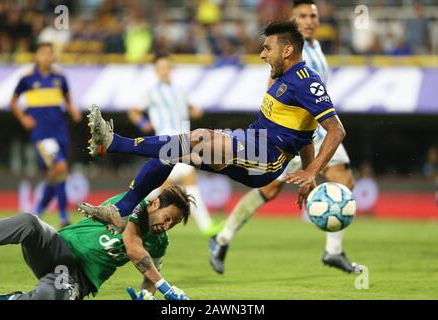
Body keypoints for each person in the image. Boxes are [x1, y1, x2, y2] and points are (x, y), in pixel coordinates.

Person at [82, 20, 346, 240]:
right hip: (249, 142)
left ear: (287, 51)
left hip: (265, 160)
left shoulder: (306, 81)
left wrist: (312, 171)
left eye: (267, 48)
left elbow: (336, 130)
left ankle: (114, 142)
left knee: (196, 138)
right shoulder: (281, 79)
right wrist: (309, 174)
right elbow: (305, 136)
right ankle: (121, 209)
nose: (263, 54)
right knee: (171, 151)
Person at [210, 0, 360, 275]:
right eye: (303, 15)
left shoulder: (315, 48)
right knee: (268, 189)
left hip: (315, 131)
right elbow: (274, 87)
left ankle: (333, 251)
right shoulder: (291, 53)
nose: (310, 20)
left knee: (344, 180)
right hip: (293, 133)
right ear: (294, 19)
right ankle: (221, 239)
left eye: (313, 15)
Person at [0, 185, 193, 300]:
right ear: (155, 203)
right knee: (29, 222)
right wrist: (167, 289)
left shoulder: (159, 242)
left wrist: (146, 295)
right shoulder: (132, 204)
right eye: (167, 218)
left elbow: (151, 276)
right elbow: (133, 248)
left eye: (173, 224)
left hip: (76, 276)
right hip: (57, 246)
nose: (167, 225)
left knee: (53, 295)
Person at [128, 53, 220, 236]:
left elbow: (191, 109)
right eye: (161, 68)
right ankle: (125, 211)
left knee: (162, 187)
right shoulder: (152, 92)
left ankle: (125, 211)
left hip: (183, 142)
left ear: (171, 69)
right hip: (165, 142)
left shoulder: (179, 91)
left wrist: (195, 111)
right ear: (156, 71)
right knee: (174, 184)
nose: (164, 71)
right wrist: (143, 124)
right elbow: (134, 111)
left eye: (167, 67)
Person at [10, 42, 82, 228]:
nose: (47, 57)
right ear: (37, 56)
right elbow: (13, 101)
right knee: (60, 166)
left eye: (50, 53)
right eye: (43, 53)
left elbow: (67, 97)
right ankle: (63, 216)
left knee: (60, 172)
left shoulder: (60, 77)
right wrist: (23, 118)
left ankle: (39, 209)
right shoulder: (27, 78)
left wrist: (72, 108)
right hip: (42, 134)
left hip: (60, 131)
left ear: (53, 56)